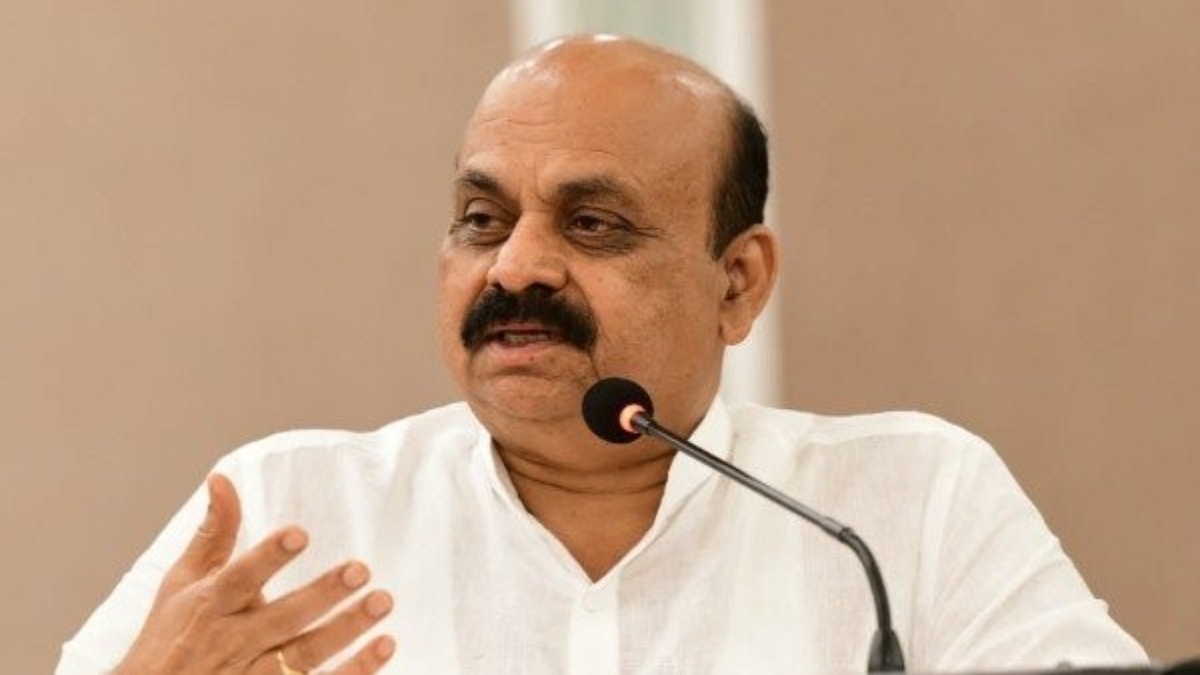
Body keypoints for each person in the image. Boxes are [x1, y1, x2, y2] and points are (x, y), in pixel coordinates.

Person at [58, 35, 1146, 674]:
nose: (516, 267)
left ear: (738, 282)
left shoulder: (906, 508)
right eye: (482, 220)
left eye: (593, 224)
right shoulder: (280, 514)